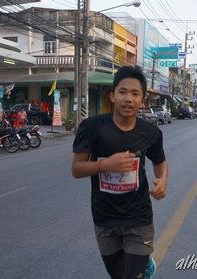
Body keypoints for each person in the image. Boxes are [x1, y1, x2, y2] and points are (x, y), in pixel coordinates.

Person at [71, 66, 169, 279]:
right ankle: (144, 264)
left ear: (142, 100)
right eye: (123, 92)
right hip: (105, 217)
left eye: (135, 94)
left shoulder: (150, 132)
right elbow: (76, 169)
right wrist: (105, 165)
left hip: (139, 217)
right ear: (112, 95)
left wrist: (162, 180)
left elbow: (160, 162)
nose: (128, 99)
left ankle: (141, 264)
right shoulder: (92, 127)